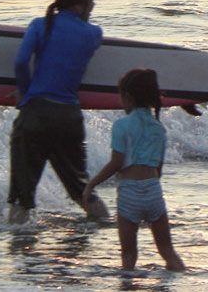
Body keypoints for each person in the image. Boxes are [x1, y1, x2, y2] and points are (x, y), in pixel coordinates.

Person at [7, 0, 109, 224]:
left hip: (35, 116)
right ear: (85, 2)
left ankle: (19, 253)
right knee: (83, 193)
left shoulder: (39, 25)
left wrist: (24, 92)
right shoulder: (94, 33)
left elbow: (20, 61)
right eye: (92, 1)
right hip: (68, 118)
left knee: (22, 198)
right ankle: (108, 233)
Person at [83, 69, 185, 271]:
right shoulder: (159, 128)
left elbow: (116, 163)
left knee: (129, 256)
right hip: (154, 191)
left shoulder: (122, 125)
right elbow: (158, 170)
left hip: (130, 192)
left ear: (127, 97)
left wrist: (91, 184)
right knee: (167, 251)